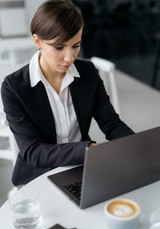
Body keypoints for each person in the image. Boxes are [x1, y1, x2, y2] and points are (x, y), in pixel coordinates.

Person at [1, 0, 134, 186]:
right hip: (37, 176)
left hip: (82, 167)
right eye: (59, 47)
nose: (69, 57)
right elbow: (33, 151)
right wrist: (87, 150)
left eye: (75, 46)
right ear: (37, 41)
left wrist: (136, 147)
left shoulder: (88, 73)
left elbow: (111, 123)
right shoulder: (14, 87)